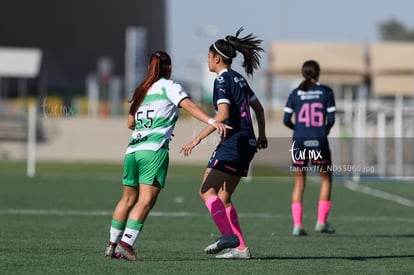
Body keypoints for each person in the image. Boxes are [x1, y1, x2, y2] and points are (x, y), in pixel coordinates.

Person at [104, 50, 231, 261]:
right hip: (153, 152)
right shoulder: (170, 86)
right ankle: (126, 244)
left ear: (149, 68)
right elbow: (188, 106)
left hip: (133, 150)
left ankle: (111, 244)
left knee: (127, 199)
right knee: (145, 201)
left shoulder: (141, 90)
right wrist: (212, 121)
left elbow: (130, 123)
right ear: (169, 68)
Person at [180, 27, 268, 259]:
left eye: (208, 57)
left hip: (233, 142)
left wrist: (197, 138)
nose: (207, 61)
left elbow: (223, 115)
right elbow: (258, 108)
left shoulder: (221, 79)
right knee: (224, 197)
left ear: (217, 58)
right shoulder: (239, 78)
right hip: (247, 142)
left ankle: (228, 235)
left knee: (205, 190)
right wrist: (261, 135)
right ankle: (241, 248)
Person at [283, 60, 336, 236]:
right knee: (326, 180)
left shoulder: (294, 93)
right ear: (318, 73)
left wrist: (298, 131)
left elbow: (285, 120)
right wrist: (323, 131)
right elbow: (332, 119)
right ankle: (321, 222)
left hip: (299, 141)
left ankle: (297, 225)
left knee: (299, 184)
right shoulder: (326, 92)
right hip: (319, 140)